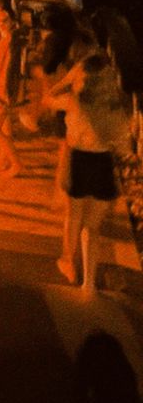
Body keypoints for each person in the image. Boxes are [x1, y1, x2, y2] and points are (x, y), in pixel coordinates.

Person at [44, 53, 132, 295]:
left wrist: (68, 79)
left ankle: (68, 262)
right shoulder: (115, 108)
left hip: (79, 159)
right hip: (103, 162)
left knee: (73, 216)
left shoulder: (75, 101)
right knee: (93, 227)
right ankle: (89, 284)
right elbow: (124, 147)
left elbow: (48, 98)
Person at [0, 8, 23, 175]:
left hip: (3, 93)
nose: (1, 24)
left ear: (12, 21)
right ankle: (3, 159)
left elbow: (7, 70)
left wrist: (2, 94)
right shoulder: (4, 39)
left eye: (5, 20)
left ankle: (16, 164)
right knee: (5, 127)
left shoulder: (10, 42)